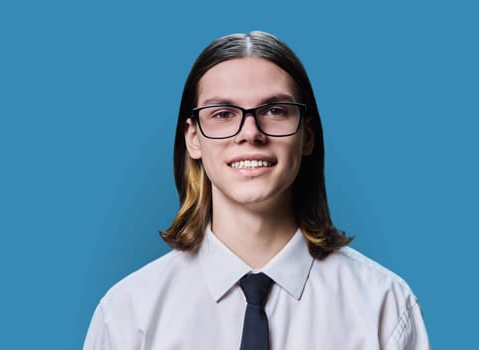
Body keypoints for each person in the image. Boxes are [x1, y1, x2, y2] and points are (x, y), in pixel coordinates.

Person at [83, 31, 430, 349]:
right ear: (193, 138)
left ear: (307, 136)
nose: (250, 132)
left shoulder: (383, 306)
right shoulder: (128, 315)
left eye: (275, 110)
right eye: (223, 113)